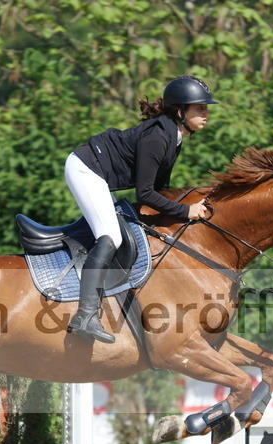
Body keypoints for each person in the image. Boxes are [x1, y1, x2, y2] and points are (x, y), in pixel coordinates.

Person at [65, 75, 217, 344]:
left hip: (98, 174)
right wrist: (185, 211)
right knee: (110, 236)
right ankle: (85, 315)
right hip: (85, 169)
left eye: (205, 108)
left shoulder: (173, 135)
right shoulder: (158, 136)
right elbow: (145, 193)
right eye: (199, 108)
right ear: (180, 112)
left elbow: (159, 189)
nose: (206, 113)